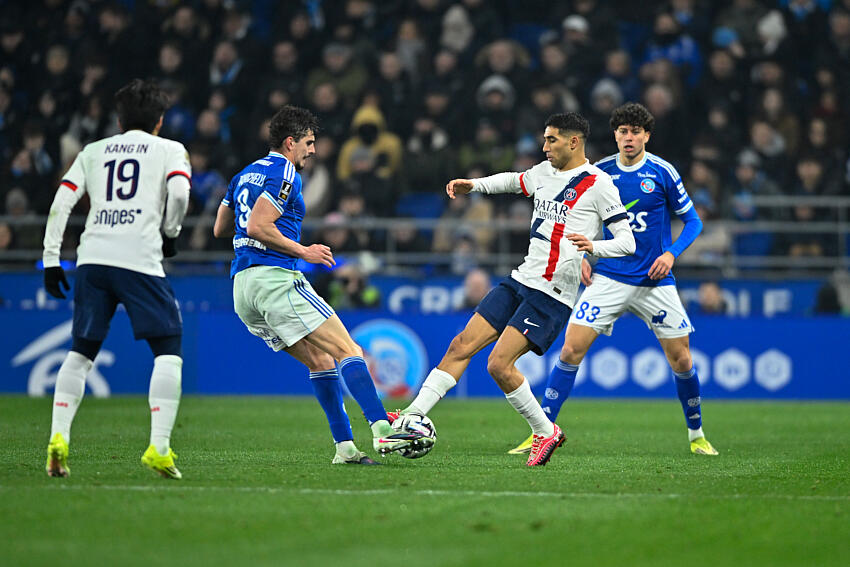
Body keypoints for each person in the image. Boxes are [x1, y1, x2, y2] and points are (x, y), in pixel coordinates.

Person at [395, 113, 635, 467]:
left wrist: (593, 248)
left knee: (498, 364)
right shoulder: (543, 172)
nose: (545, 146)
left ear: (574, 142)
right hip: (521, 279)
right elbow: (513, 180)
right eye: (544, 139)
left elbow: (628, 241)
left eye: (551, 139)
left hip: (552, 293)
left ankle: (545, 431)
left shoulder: (599, 184)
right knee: (461, 345)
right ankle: (412, 416)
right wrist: (473, 185)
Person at [212, 105, 428, 465]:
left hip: (243, 287)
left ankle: (345, 448)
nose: (312, 150)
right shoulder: (285, 171)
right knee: (350, 350)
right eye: (309, 143)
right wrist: (303, 251)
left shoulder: (244, 173)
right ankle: (382, 429)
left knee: (322, 360)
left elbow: (221, 227)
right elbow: (258, 225)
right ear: (290, 142)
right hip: (274, 279)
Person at [509, 102, 719, 457]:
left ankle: (697, 435)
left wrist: (671, 254)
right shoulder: (599, 172)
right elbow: (580, 219)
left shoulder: (663, 172)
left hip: (654, 281)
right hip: (608, 277)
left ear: (646, 136)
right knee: (570, 349)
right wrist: (583, 256)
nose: (629, 138)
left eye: (635, 132)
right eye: (623, 131)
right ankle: (541, 432)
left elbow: (693, 221)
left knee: (682, 360)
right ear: (615, 135)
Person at [42, 79, 191, 479]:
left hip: (93, 259)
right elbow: (179, 194)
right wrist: (171, 234)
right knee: (168, 349)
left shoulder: (93, 151)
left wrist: (51, 260)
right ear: (160, 120)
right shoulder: (170, 149)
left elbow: (62, 201)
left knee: (80, 352)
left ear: (120, 120)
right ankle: (159, 447)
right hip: (139, 259)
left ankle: (58, 438)